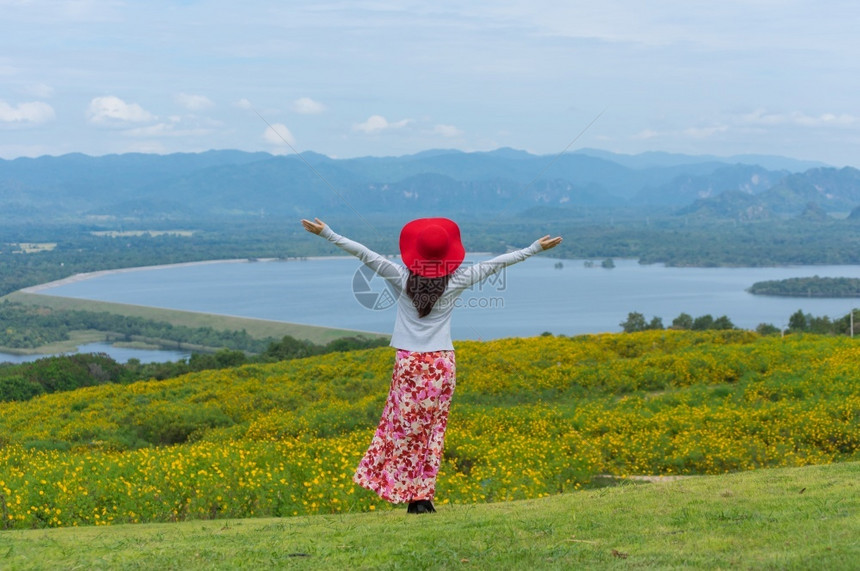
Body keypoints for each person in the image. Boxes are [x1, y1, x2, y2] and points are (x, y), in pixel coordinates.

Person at [301, 217, 562, 514]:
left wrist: (327, 233)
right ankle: (422, 497)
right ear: (448, 255)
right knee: (432, 432)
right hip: (441, 364)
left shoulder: (399, 277)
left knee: (402, 429)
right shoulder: (457, 280)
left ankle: (405, 492)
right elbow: (496, 264)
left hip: (409, 363)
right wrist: (533, 248)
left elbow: (364, 253)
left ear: (414, 253)